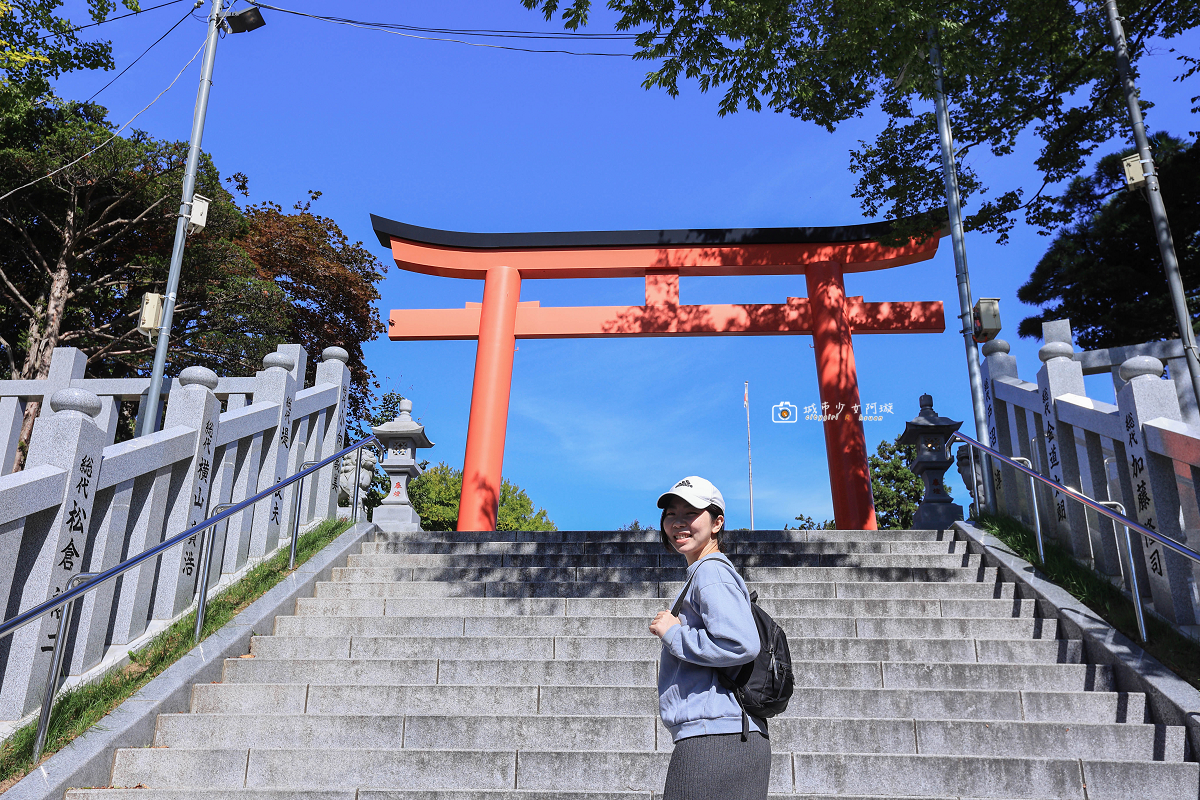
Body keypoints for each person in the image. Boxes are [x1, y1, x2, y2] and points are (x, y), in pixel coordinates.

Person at [649, 475, 771, 799]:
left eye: (690, 513)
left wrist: (674, 634)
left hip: (715, 739)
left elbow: (741, 642)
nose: (678, 523)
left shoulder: (711, 571)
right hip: (729, 735)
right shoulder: (708, 571)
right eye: (671, 514)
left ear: (717, 522)